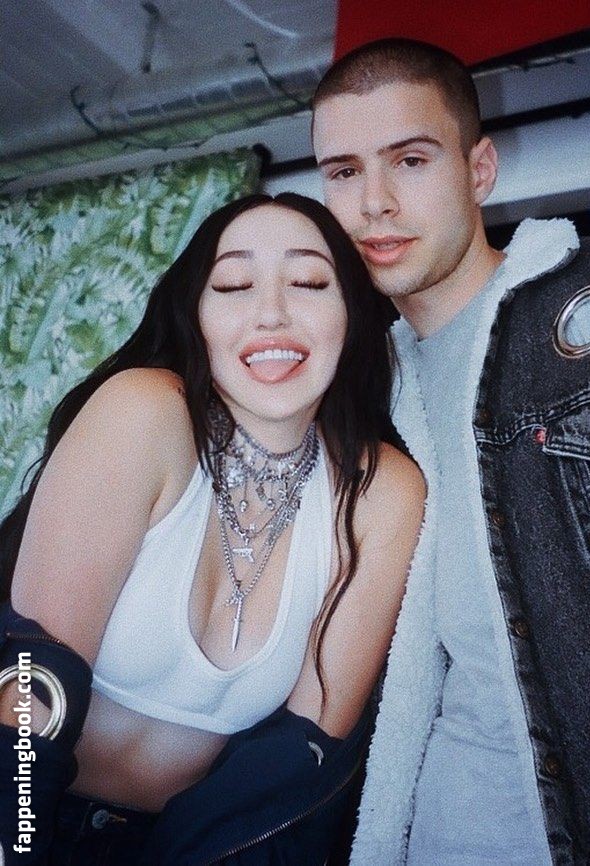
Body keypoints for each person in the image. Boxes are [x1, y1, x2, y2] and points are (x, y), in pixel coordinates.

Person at [311, 38, 590, 866]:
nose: (372, 203)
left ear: (478, 169)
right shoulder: (352, 397)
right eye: (342, 171)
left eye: (410, 160)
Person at [0, 191, 425, 864]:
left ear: (352, 315)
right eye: (233, 285)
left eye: (309, 282)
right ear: (195, 315)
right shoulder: (143, 411)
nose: (271, 312)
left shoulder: (383, 493)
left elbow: (298, 760)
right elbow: (30, 679)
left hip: (193, 847)